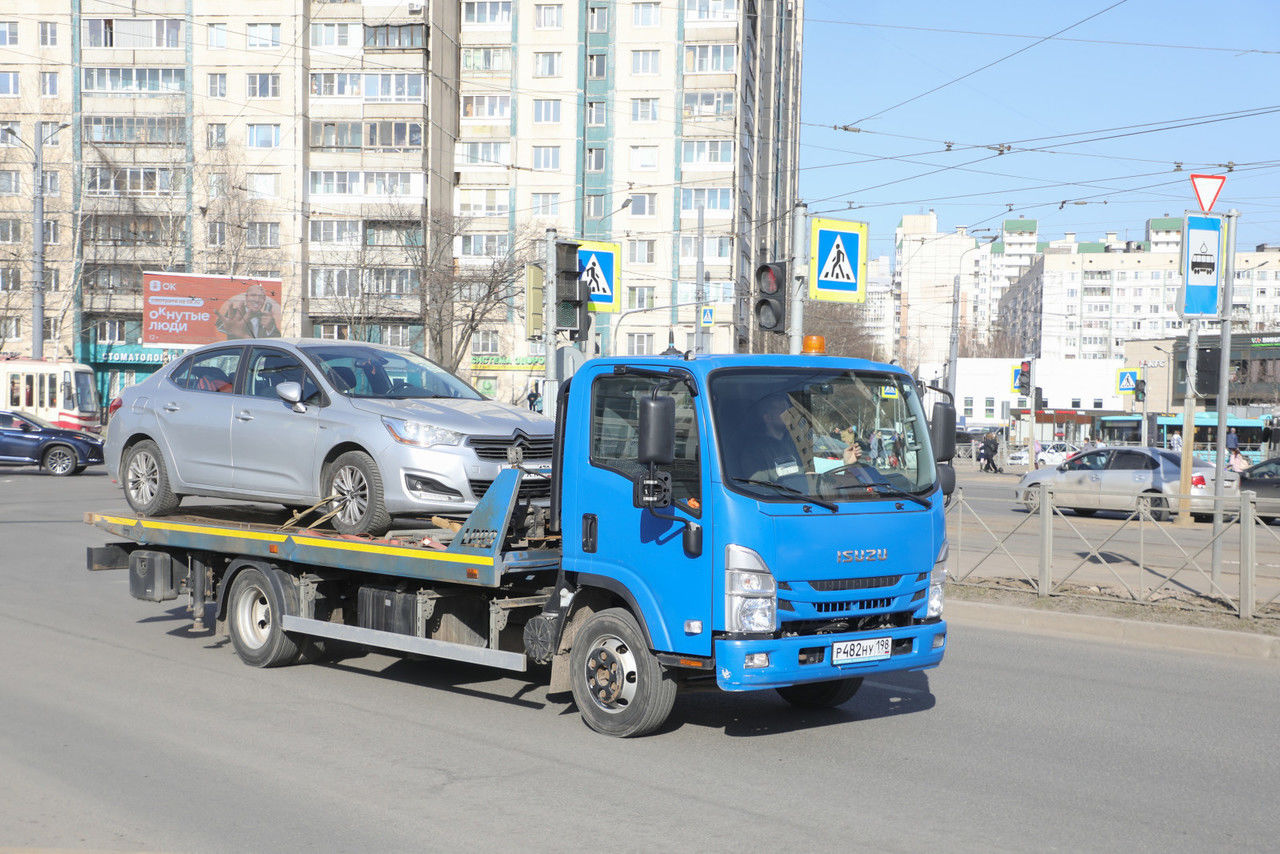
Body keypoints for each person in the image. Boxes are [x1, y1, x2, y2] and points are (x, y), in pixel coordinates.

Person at [216, 283, 282, 339]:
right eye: (253, 295)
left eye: (261, 297)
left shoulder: (267, 319)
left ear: (264, 300)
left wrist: (270, 328)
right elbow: (219, 325)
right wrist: (227, 327)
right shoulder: (235, 313)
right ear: (246, 297)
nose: (257, 300)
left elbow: (278, 341)